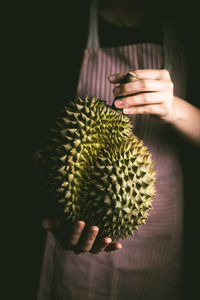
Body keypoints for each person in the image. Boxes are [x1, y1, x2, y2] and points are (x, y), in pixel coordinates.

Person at [31, 0, 200, 299]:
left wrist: (173, 108)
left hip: (159, 224)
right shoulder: (58, 17)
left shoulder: (188, 21)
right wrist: (44, 201)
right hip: (76, 236)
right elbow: (32, 133)